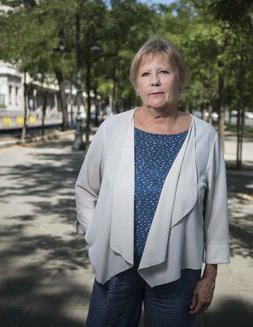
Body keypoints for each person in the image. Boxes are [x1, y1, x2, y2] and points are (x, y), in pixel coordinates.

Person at [75, 37, 230, 327]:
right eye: (146, 74)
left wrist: (209, 276)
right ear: (137, 84)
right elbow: (85, 188)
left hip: (178, 269)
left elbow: (216, 213)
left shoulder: (205, 137)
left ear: (179, 79)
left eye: (164, 72)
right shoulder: (112, 129)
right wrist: (95, 234)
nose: (155, 81)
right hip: (116, 264)